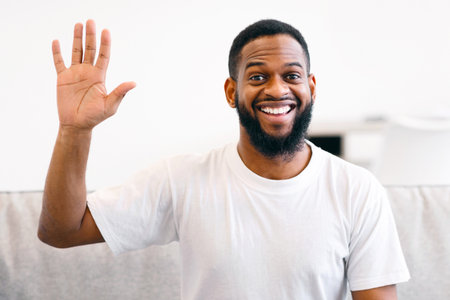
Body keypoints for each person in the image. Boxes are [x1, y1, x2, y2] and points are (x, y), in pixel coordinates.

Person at [38, 19, 410, 300]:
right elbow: (61, 231)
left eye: (291, 75)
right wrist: (75, 131)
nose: (277, 89)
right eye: (258, 76)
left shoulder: (358, 190)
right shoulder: (182, 179)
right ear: (232, 91)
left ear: (310, 88)